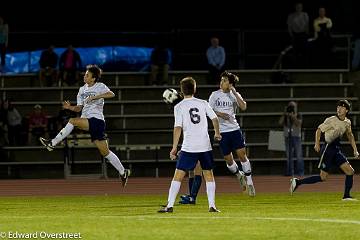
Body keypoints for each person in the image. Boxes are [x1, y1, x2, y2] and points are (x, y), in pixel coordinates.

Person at [39, 64, 130, 186]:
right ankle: (123, 171)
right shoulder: (82, 90)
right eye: (85, 74)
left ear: (93, 78)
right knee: (105, 152)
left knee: (72, 121)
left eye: (87, 75)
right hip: (87, 120)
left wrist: (96, 96)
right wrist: (69, 107)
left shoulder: (100, 86)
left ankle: (52, 143)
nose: (85, 76)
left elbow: (111, 94)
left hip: (97, 120)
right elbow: (78, 108)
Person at [158, 77, 222, 213]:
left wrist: (174, 147)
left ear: (181, 90)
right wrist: (217, 133)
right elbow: (215, 118)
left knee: (178, 175)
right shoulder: (203, 103)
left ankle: (169, 206)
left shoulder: (179, 106)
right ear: (195, 89)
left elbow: (177, 128)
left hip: (189, 146)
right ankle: (212, 206)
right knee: (209, 175)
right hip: (205, 145)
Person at [290, 100, 359, 200]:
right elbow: (319, 130)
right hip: (327, 149)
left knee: (350, 171)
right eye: (338, 107)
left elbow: (350, 135)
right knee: (323, 177)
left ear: (347, 110)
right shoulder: (331, 120)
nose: (339, 109)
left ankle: (346, 196)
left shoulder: (347, 122)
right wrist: (317, 143)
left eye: (342, 107)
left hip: (336, 150)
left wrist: (355, 150)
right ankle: (297, 182)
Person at [209, 71, 255, 197]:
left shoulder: (234, 94)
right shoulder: (214, 95)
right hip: (222, 132)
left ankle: (250, 182)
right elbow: (208, 111)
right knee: (228, 160)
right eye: (221, 80)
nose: (221, 82)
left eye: (224, 81)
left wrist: (234, 92)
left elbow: (243, 106)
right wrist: (220, 114)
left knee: (242, 155)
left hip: (234, 129)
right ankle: (239, 175)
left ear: (230, 84)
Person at [278, 101, 304, 176]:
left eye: (293, 106)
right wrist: (284, 114)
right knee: (289, 156)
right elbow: (280, 122)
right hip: (287, 137)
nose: (291, 108)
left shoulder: (298, 115)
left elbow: (298, 124)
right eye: (290, 106)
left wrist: (293, 116)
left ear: (296, 107)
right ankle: (289, 172)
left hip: (296, 137)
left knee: (299, 155)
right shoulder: (286, 116)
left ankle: (300, 172)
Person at [287, 2, 309, 67]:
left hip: (303, 35)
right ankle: (295, 66)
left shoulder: (305, 14)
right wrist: (291, 34)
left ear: (302, 8)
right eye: (298, 7)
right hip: (295, 35)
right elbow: (289, 26)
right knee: (295, 51)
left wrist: (306, 34)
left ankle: (305, 65)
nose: (299, 8)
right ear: (295, 7)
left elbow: (307, 25)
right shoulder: (291, 15)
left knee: (305, 50)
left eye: (300, 7)